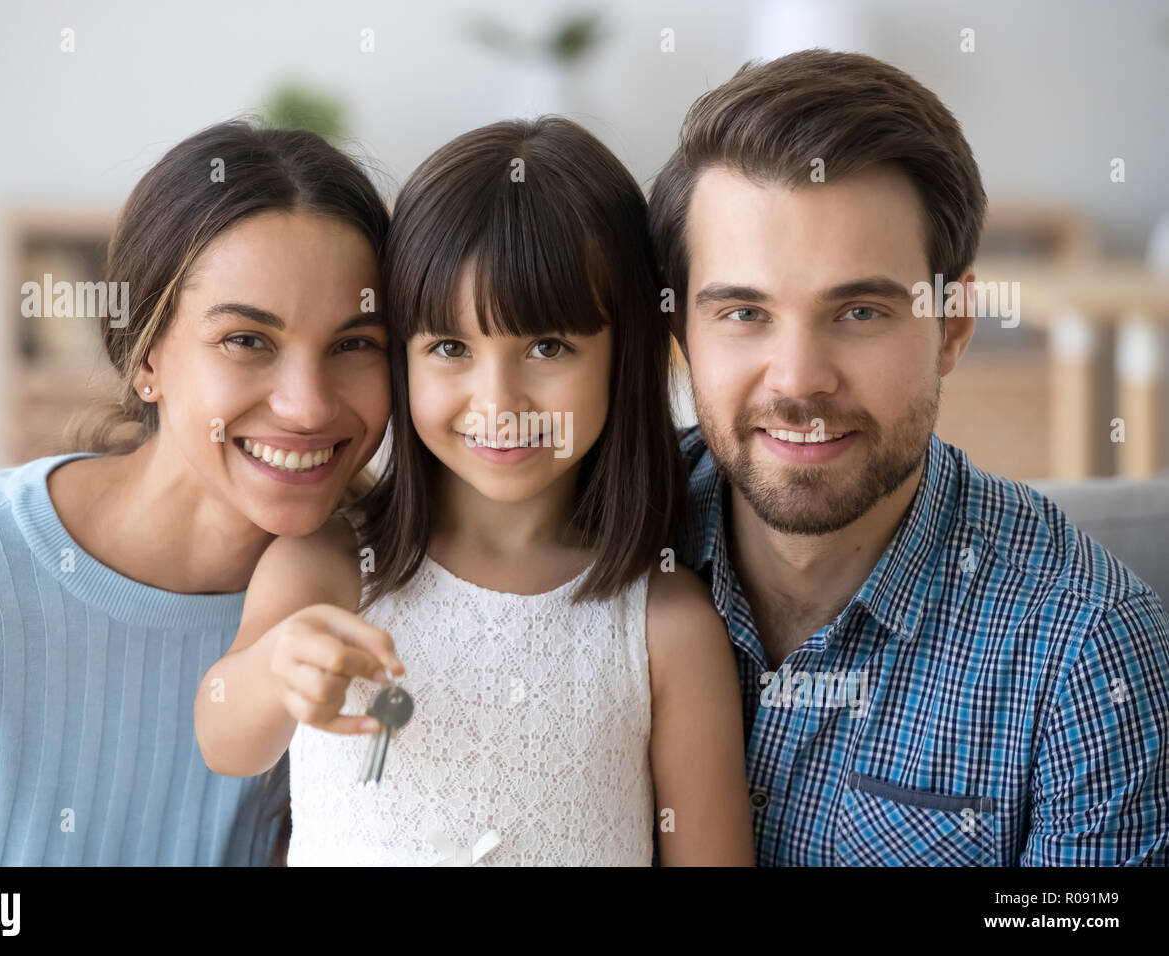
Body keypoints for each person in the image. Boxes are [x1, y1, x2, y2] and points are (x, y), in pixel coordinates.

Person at [649, 48, 1169, 865]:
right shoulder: (585, 551)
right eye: (745, 312)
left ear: (953, 325)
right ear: (681, 333)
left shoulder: (1086, 660)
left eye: (859, 310)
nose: (799, 381)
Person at [196, 116, 754, 866]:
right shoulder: (330, 565)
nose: (498, 401)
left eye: (548, 347)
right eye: (451, 348)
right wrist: (276, 671)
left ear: (629, 355)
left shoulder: (668, 625)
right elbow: (226, 738)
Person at [0, 120, 392, 865]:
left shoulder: (385, 597)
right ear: (147, 356)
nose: (308, 406)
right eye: (247, 340)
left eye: (354, 344)